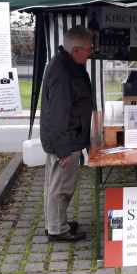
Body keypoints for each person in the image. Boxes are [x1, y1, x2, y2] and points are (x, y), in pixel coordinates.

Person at [40, 25, 94, 242]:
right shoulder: (63, 71)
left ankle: (56, 221)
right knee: (61, 186)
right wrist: (63, 148)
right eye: (89, 49)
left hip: (68, 136)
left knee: (56, 184)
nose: (91, 52)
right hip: (65, 139)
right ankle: (57, 229)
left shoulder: (67, 64)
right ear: (76, 50)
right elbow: (58, 113)